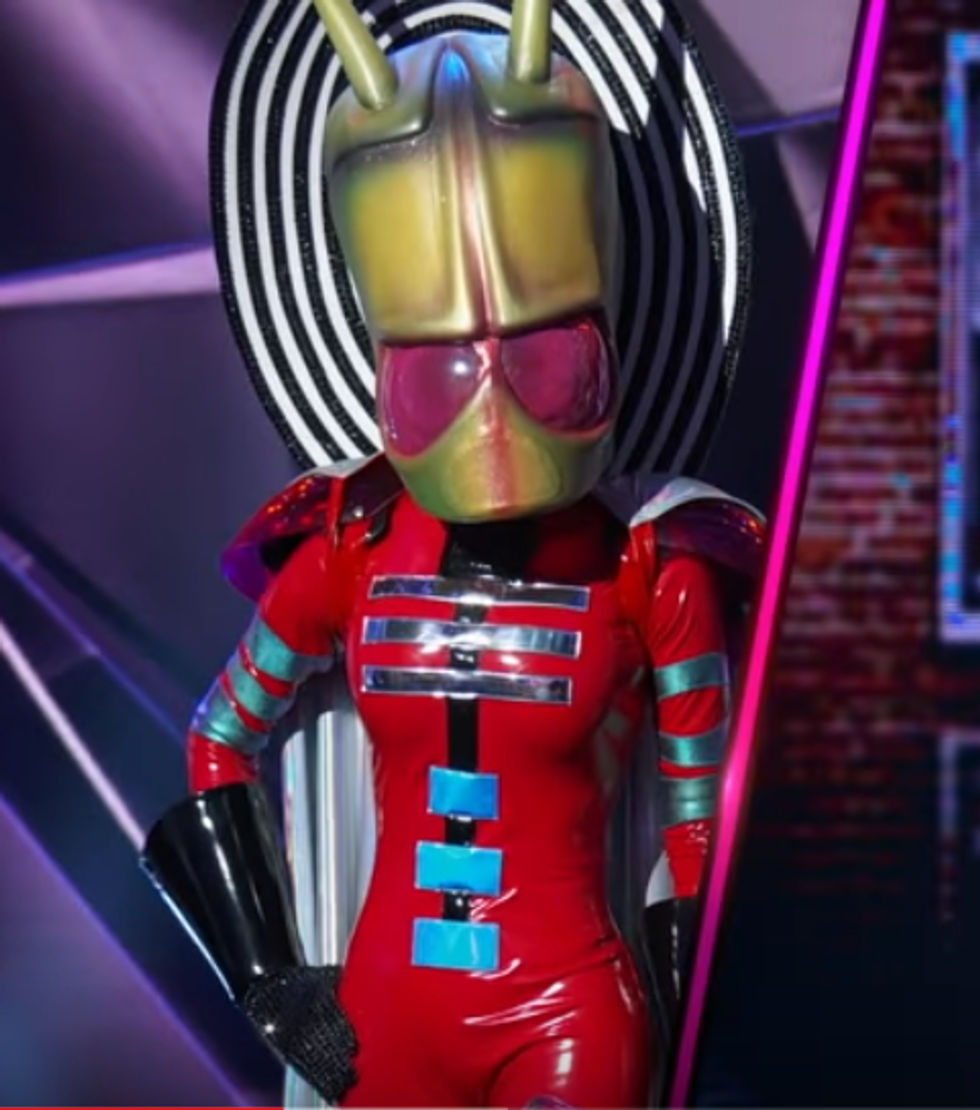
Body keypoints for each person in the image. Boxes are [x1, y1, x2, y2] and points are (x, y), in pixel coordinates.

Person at [140, 0, 764, 1104]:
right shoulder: (350, 544)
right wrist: (268, 975)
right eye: (441, 369)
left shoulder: (653, 563)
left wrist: (693, 1034)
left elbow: (699, 828)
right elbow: (220, 735)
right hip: (386, 1021)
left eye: (545, 359)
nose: (493, 407)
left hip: (567, 1015)